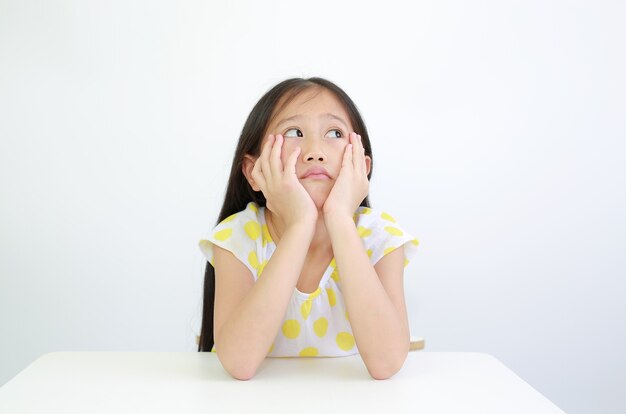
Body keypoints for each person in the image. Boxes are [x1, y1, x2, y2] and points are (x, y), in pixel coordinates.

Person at [198, 77, 419, 380]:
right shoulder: (237, 238)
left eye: (334, 133)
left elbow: (386, 364)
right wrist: (300, 224)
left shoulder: (380, 238)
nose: (315, 151)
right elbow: (239, 363)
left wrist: (340, 218)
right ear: (254, 171)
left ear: (362, 167)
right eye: (294, 132)